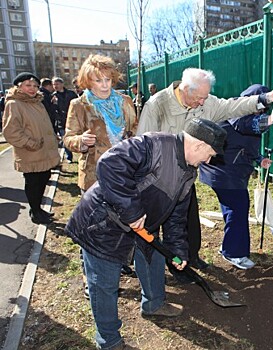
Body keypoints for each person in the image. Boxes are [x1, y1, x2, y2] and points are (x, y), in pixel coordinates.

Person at [65, 117, 227, 350]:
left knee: (154, 260)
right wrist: (132, 211)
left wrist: (178, 251)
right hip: (102, 224)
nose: (208, 160)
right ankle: (108, 341)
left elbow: (176, 217)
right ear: (199, 145)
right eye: (209, 154)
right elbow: (109, 165)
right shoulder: (154, 145)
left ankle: (153, 304)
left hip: (141, 226)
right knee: (105, 284)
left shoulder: (189, 172)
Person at [137, 67, 273, 275]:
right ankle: (152, 273)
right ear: (185, 89)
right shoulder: (157, 105)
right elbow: (144, 143)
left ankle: (188, 259)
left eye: (205, 97)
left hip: (186, 174)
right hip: (160, 177)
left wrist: (267, 98)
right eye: (199, 97)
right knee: (155, 224)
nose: (202, 102)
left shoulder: (206, 102)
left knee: (186, 221)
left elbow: (232, 106)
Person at [199, 84, 273, 269]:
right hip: (223, 171)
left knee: (232, 208)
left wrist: (259, 159)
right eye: (260, 107)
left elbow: (244, 143)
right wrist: (272, 119)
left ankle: (229, 246)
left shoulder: (252, 116)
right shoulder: (237, 110)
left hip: (229, 169)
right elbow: (244, 126)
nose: (261, 112)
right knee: (238, 208)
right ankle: (233, 253)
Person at [63, 54, 137, 193]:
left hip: (124, 170)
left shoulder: (125, 101)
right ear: (88, 81)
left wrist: (131, 137)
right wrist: (81, 141)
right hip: (94, 174)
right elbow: (68, 138)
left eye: (108, 79)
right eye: (98, 80)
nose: (104, 85)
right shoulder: (79, 104)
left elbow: (135, 127)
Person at [2, 72, 60, 224]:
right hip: (30, 152)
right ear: (19, 86)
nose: (32, 89)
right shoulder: (14, 104)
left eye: (35, 86)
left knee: (44, 179)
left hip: (44, 150)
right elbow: (11, 132)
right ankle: (35, 212)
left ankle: (37, 209)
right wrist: (31, 143)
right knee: (34, 184)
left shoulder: (37, 102)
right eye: (28, 85)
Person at [52, 77, 76, 163]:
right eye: (54, 84)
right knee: (65, 139)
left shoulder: (71, 93)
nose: (55, 86)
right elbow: (54, 110)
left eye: (57, 84)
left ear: (62, 84)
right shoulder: (53, 96)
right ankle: (69, 156)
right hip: (61, 122)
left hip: (72, 120)